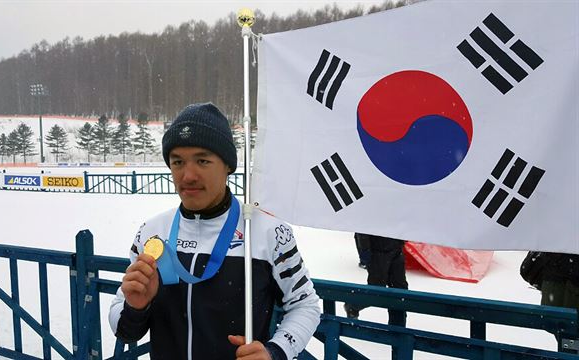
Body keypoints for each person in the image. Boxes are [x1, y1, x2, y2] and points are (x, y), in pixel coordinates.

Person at [109, 103, 320, 360]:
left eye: (202, 161)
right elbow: (126, 331)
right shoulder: (152, 232)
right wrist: (135, 308)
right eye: (177, 162)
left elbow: (304, 305)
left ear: (228, 165)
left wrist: (275, 352)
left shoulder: (267, 232)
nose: (188, 176)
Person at [344, 233, 408, 327]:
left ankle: (397, 328)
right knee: (377, 289)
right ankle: (353, 305)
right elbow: (362, 226)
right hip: (377, 251)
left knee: (400, 291)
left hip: (396, 247)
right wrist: (365, 251)